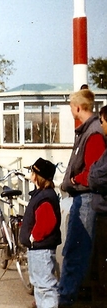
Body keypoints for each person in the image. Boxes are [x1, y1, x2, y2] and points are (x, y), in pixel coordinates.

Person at [59, 89, 107, 306]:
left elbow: (94, 172)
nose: (71, 110)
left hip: (86, 199)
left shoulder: (93, 134)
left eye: (71, 106)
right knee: (76, 250)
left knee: (75, 251)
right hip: (84, 197)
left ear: (77, 108)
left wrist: (75, 180)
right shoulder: (91, 130)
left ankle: (66, 298)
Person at [20, 158, 61, 308]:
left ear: (37, 176)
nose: (30, 173)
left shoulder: (45, 197)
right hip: (37, 248)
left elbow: (47, 222)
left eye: (32, 171)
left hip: (40, 248)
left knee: (45, 285)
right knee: (38, 284)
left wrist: (33, 237)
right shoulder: (42, 194)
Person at [88, 105, 107, 302]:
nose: (101, 126)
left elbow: (96, 177)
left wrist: (93, 172)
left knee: (101, 264)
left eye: (102, 122)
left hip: (104, 214)